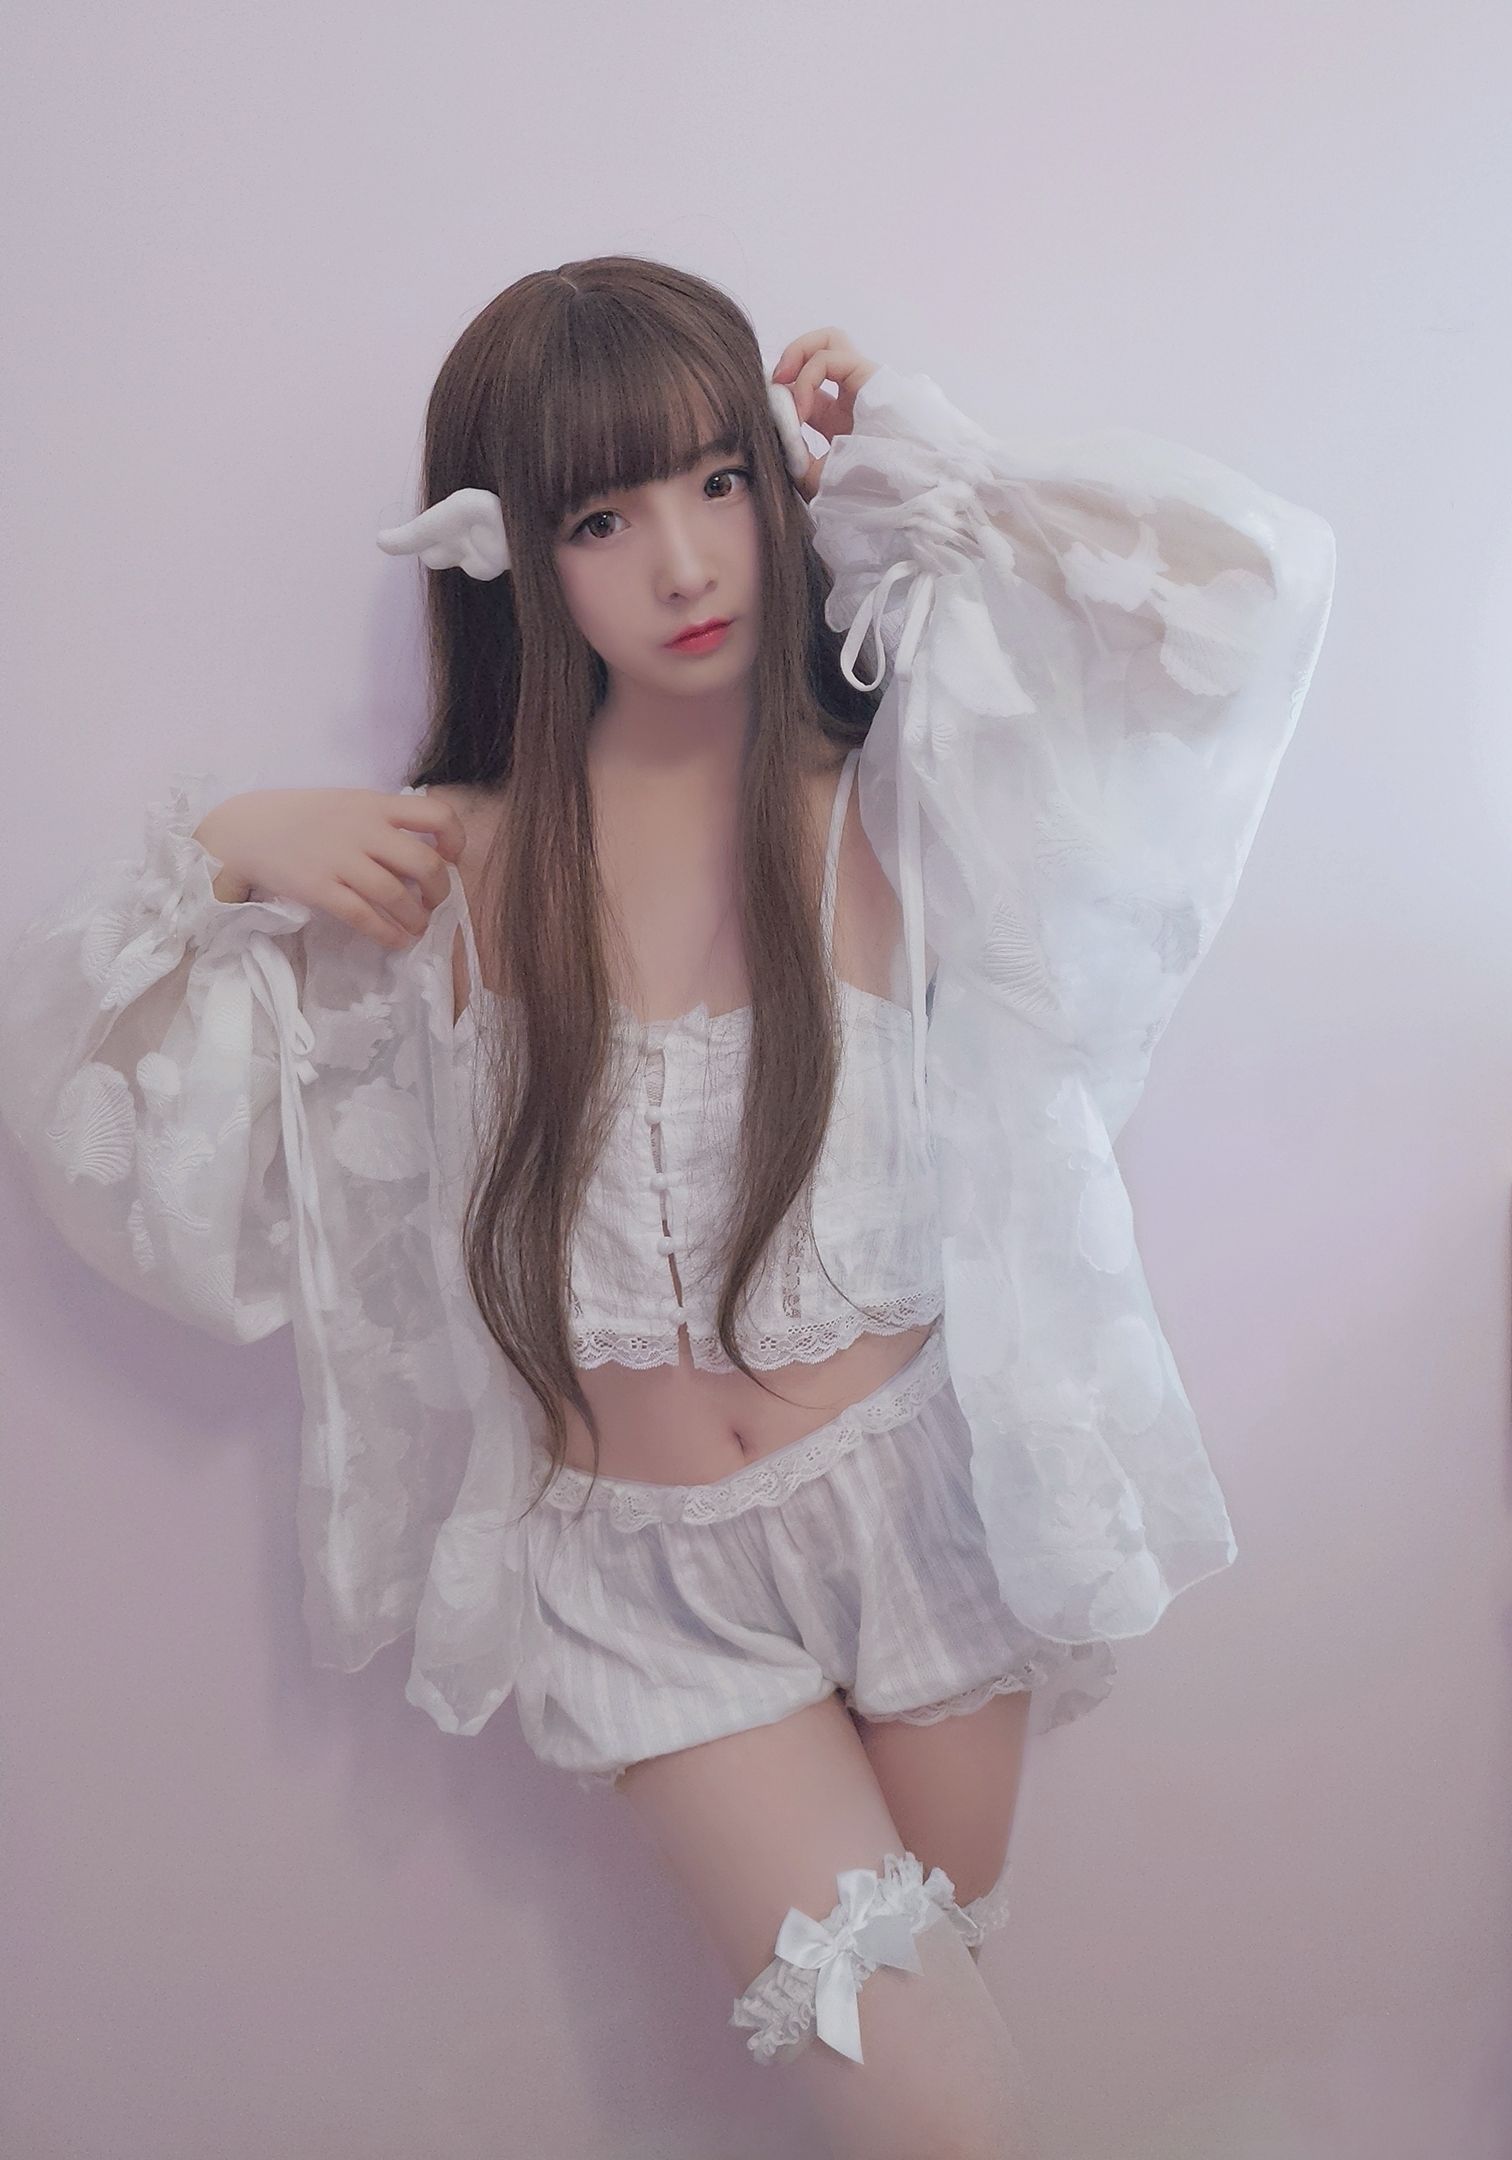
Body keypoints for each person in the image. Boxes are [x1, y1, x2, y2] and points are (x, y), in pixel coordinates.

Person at [0, 256, 1336, 2157]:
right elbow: (90, 1095)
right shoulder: (450, 867)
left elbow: (1241, 606)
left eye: (722, 481)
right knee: (950, 2122)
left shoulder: (893, 798)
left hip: (925, 1514)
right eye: (602, 519)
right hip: (648, 1590)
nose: (689, 565)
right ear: (510, 558)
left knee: (933, 2092)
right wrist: (223, 852)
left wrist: (919, 468)